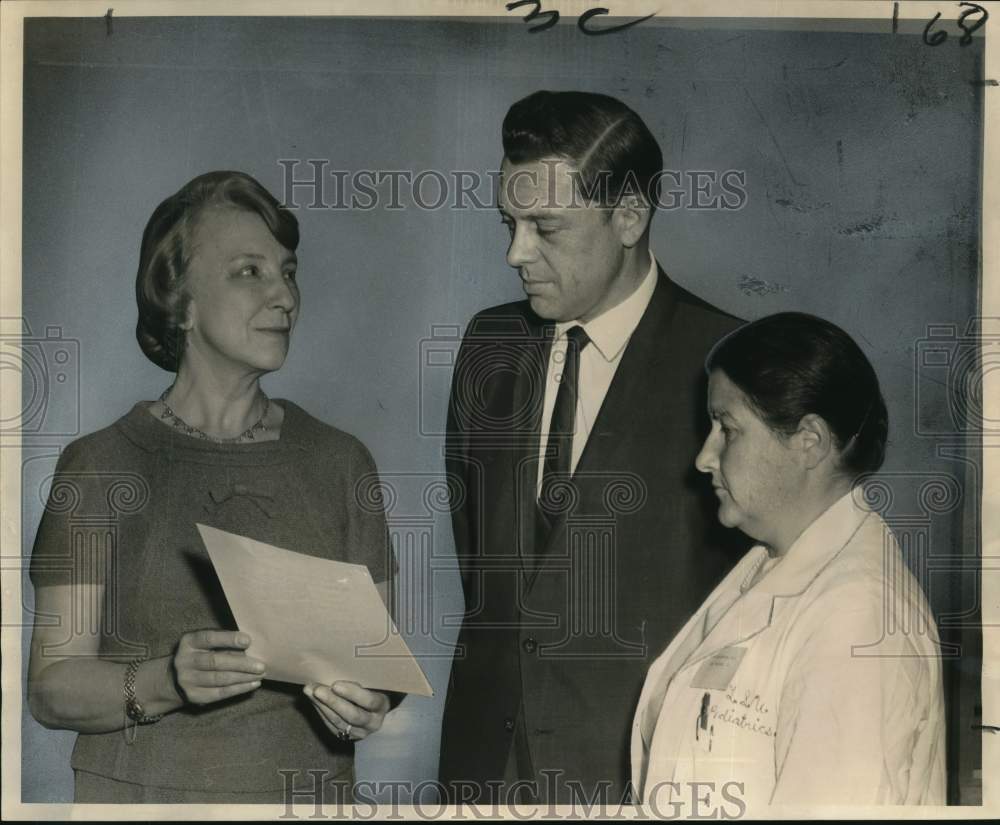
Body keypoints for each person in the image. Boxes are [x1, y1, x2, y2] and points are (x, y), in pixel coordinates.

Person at [26, 170, 397, 803]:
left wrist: (368, 705)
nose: (284, 295)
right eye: (248, 271)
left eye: (288, 271)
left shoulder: (343, 463)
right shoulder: (99, 465)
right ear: (180, 302)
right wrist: (168, 680)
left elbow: (377, 670)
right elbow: (51, 689)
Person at [439, 90, 746, 805]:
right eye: (508, 223)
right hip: (480, 768)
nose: (516, 253)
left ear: (630, 216)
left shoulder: (726, 361)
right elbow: (483, 564)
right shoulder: (489, 343)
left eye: (545, 226)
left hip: (646, 776)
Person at [631, 312, 946, 812]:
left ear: (809, 441)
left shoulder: (856, 617)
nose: (704, 457)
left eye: (727, 428)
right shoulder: (767, 566)